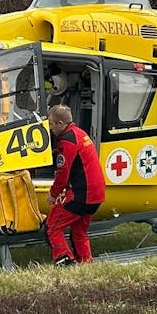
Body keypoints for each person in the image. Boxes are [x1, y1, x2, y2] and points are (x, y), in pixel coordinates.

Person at [45, 104, 105, 265]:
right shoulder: (80, 133)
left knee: (52, 226)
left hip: (82, 194)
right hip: (96, 194)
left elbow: (63, 172)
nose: (50, 128)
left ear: (60, 123)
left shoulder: (67, 141)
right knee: (79, 231)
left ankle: (65, 260)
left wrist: (54, 193)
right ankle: (86, 262)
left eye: (51, 124)